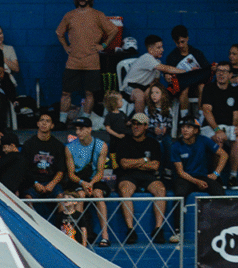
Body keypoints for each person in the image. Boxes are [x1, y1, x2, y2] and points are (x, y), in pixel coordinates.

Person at [55, 0, 119, 122]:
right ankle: (62, 121)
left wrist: (103, 45)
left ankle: (86, 120)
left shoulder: (97, 15)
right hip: (73, 60)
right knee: (66, 92)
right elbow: (59, 32)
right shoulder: (70, 15)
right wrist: (66, 47)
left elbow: (114, 30)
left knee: (89, 93)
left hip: (91, 61)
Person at [116, 113, 169, 244]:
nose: (135, 127)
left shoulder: (153, 143)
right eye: (133, 124)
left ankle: (158, 229)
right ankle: (130, 230)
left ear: (145, 126)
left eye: (139, 124)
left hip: (148, 176)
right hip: (128, 175)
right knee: (125, 190)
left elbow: (155, 165)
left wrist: (134, 163)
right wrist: (144, 160)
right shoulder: (124, 141)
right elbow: (124, 164)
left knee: (161, 190)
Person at [64, 117, 112, 247]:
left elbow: (100, 172)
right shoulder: (69, 148)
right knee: (80, 195)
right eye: (76, 129)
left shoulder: (101, 146)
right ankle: (78, 235)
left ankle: (105, 236)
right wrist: (83, 183)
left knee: (98, 194)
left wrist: (90, 184)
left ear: (89, 129)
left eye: (81, 129)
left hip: (94, 180)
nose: (78, 132)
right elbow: (71, 174)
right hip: (78, 180)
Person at [202, 62, 238, 189]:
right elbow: (206, 111)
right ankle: (217, 176)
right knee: (219, 140)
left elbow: (236, 116)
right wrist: (217, 130)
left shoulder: (235, 91)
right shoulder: (209, 88)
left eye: (225, 71)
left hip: (227, 126)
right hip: (210, 127)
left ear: (230, 75)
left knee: (237, 138)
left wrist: (236, 127)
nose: (221, 74)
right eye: (219, 71)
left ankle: (233, 177)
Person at [122, 35, 187, 114]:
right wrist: (185, 71)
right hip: (130, 86)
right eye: (158, 48)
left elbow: (155, 82)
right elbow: (166, 68)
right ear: (150, 49)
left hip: (145, 87)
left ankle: (155, 118)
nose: (162, 50)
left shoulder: (157, 62)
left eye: (162, 47)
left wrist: (168, 79)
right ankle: (140, 119)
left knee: (156, 94)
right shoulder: (147, 58)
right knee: (140, 95)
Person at [171, 117, 228, 202]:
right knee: (180, 194)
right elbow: (180, 172)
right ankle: (178, 211)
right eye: (182, 127)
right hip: (185, 178)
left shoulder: (203, 140)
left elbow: (224, 155)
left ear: (196, 130)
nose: (184, 130)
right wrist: (197, 182)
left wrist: (216, 173)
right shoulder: (176, 146)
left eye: (188, 127)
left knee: (219, 191)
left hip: (203, 176)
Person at [19, 110, 66, 203]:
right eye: (42, 120)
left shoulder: (58, 145)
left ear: (52, 125)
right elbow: (24, 169)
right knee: (27, 198)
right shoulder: (28, 144)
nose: (44, 123)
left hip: (51, 182)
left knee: (61, 197)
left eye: (47, 121)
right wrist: (35, 183)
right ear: (38, 124)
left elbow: (61, 170)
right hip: (32, 182)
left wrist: (52, 184)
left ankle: (62, 214)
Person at [164, 25, 212, 109]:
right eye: (177, 43)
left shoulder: (197, 53)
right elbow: (169, 78)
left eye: (182, 42)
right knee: (184, 89)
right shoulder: (172, 57)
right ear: (174, 41)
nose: (180, 45)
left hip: (196, 86)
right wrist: (167, 76)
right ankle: (185, 115)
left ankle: (201, 115)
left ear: (187, 38)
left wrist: (198, 72)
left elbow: (207, 72)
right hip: (180, 88)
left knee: (202, 87)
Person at [143, 82, 174, 178]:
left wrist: (165, 128)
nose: (154, 95)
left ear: (163, 95)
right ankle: (155, 168)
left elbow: (170, 122)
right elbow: (146, 123)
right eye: (152, 93)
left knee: (168, 144)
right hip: (152, 133)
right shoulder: (148, 109)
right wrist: (153, 129)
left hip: (164, 133)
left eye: (157, 93)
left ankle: (167, 168)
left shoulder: (168, 109)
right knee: (155, 145)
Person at [0, 23, 20, 98]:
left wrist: (3, 58)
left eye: (0, 33)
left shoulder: (9, 49)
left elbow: (16, 69)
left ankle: (12, 101)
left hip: (6, 81)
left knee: (5, 77)